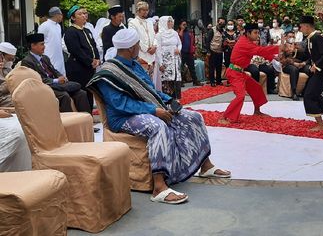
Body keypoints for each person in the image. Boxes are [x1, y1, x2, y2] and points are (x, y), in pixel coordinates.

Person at [87, 29, 230, 204]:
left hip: (147, 108)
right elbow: (120, 104)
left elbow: (151, 91)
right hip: (122, 118)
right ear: (131, 48)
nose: (139, 47)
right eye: (138, 45)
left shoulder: (135, 65)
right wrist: (153, 111)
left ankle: (205, 165)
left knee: (192, 117)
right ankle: (159, 186)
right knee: (157, 125)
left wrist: (170, 101)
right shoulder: (108, 72)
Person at [218, 23, 280, 124]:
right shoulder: (244, 43)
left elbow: (260, 51)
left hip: (240, 72)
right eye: (255, 33)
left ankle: (257, 111)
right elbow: (260, 50)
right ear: (248, 33)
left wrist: (273, 57)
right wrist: (279, 48)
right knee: (240, 96)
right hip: (234, 73)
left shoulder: (247, 41)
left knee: (256, 88)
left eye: (258, 32)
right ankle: (224, 117)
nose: (257, 35)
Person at [22, 33, 92, 113]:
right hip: (44, 87)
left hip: (57, 85)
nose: (44, 47)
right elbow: (35, 80)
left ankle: (87, 120)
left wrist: (61, 77)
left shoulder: (45, 58)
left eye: (44, 44)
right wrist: (56, 81)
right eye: (41, 44)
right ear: (33, 46)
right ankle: (68, 122)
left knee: (81, 93)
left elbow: (54, 71)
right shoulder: (27, 61)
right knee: (64, 95)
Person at [299, 16, 323, 131]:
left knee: (309, 95)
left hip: (322, 71)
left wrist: (316, 65)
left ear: (306, 26)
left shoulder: (317, 38)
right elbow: (306, 55)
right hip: (319, 71)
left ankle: (320, 125)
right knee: (313, 93)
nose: (300, 29)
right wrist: (293, 52)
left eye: (301, 27)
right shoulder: (310, 38)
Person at [64, 5, 100, 112]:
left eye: (85, 13)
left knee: (89, 93)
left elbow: (94, 46)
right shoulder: (71, 32)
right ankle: (83, 119)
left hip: (89, 68)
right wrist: (90, 61)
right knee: (81, 95)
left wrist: (97, 59)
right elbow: (76, 51)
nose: (84, 16)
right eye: (80, 14)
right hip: (78, 68)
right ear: (73, 18)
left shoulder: (87, 30)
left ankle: (89, 120)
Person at [155, 16, 182, 99]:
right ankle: (168, 99)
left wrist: (178, 49)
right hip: (166, 60)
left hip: (175, 60)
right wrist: (160, 63)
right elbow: (158, 49)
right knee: (167, 79)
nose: (170, 23)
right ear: (163, 23)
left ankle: (177, 98)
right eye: (168, 22)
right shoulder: (159, 35)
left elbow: (179, 44)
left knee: (176, 78)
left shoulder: (174, 33)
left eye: (171, 21)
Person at [128, 1, 157, 74]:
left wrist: (154, 46)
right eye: (143, 10)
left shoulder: (149, 22)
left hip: (152, 56)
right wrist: (146, 49)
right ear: (138, 10)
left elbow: (154, 36)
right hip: (141, 55)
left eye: (147, 10)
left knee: (151, 81)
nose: (146, 12)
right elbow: (134, 38)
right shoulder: (133, 23)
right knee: (142, 80)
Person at [280, 31, 309, 101]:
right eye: (290, 37)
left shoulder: (298, 45)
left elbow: (306, 56)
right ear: (286, 37)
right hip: (287, 66)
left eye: (293, 37)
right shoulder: (282, 46)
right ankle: (294, 92)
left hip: (299, 64)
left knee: (310, 69)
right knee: (294, 69)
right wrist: (293, 63)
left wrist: (304, 63)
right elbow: (282, 60)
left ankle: (305, 91)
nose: (292, 38)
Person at [38, 6, 66, 75]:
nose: (62, 16)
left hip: (59, 56)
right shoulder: (44, 26)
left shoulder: (58, 26)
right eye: (61, 14)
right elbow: (39, 41)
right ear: (56, 15)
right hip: (49, 56)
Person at [178, 20, 202, 86]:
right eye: (183, 24)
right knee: (181, 68)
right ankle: (181, 82)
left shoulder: (189, 32)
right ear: (180, 25)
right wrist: (182, 29)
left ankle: (195, 81)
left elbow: (193, 42)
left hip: (189, 52)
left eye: (185, 25)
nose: (185, 26)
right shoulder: (178, 32)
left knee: (192, 68)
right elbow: (179, 37)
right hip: (181, 52)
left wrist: (194, 50)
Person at [205, 17, 225, 87]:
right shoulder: (212, 30)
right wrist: (208, 51)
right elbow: (207, 41)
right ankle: (212, 81)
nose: (222, 24)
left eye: (223, 23)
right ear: (217, 22)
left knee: (219, 67)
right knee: (212, 67)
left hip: (220, 51)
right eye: (220, 22)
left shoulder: (223, 31)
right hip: (213, 51)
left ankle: (218, 81)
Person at [0, 42, 17, 107]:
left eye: (12, 59)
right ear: (1, 56)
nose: (11, 62)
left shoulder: (8, 69)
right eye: (9, 59)